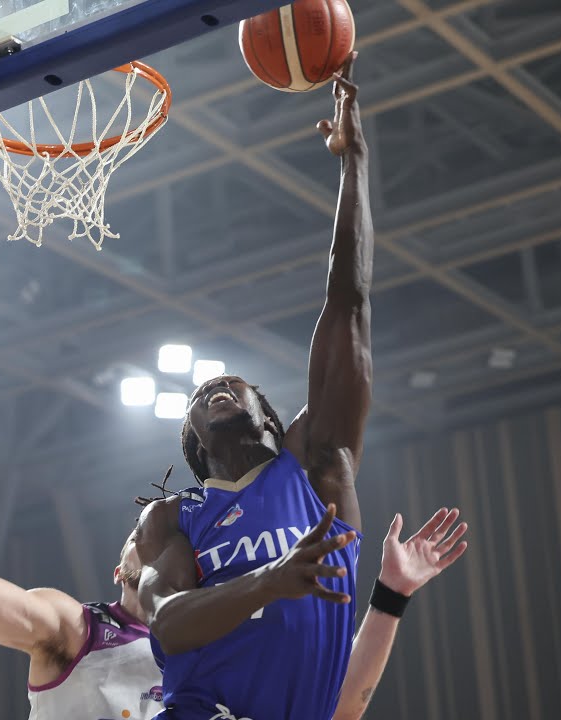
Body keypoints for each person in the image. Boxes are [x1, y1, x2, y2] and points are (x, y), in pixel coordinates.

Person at [134, 51, 453, 720]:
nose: (214, 390)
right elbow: (167, 623)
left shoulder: (318, 465)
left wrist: (355, 161)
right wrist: (269, 581)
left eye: (233, 385)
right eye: (200, 398)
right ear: (193, 439)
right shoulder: (173, 519)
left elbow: (349, 302)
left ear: (268, 415)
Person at [0, 365, 165, 720]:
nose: (152, 543)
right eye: (138, 535)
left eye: (166, 539)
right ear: (118, 571)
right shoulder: (76, 628)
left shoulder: (206, 655)